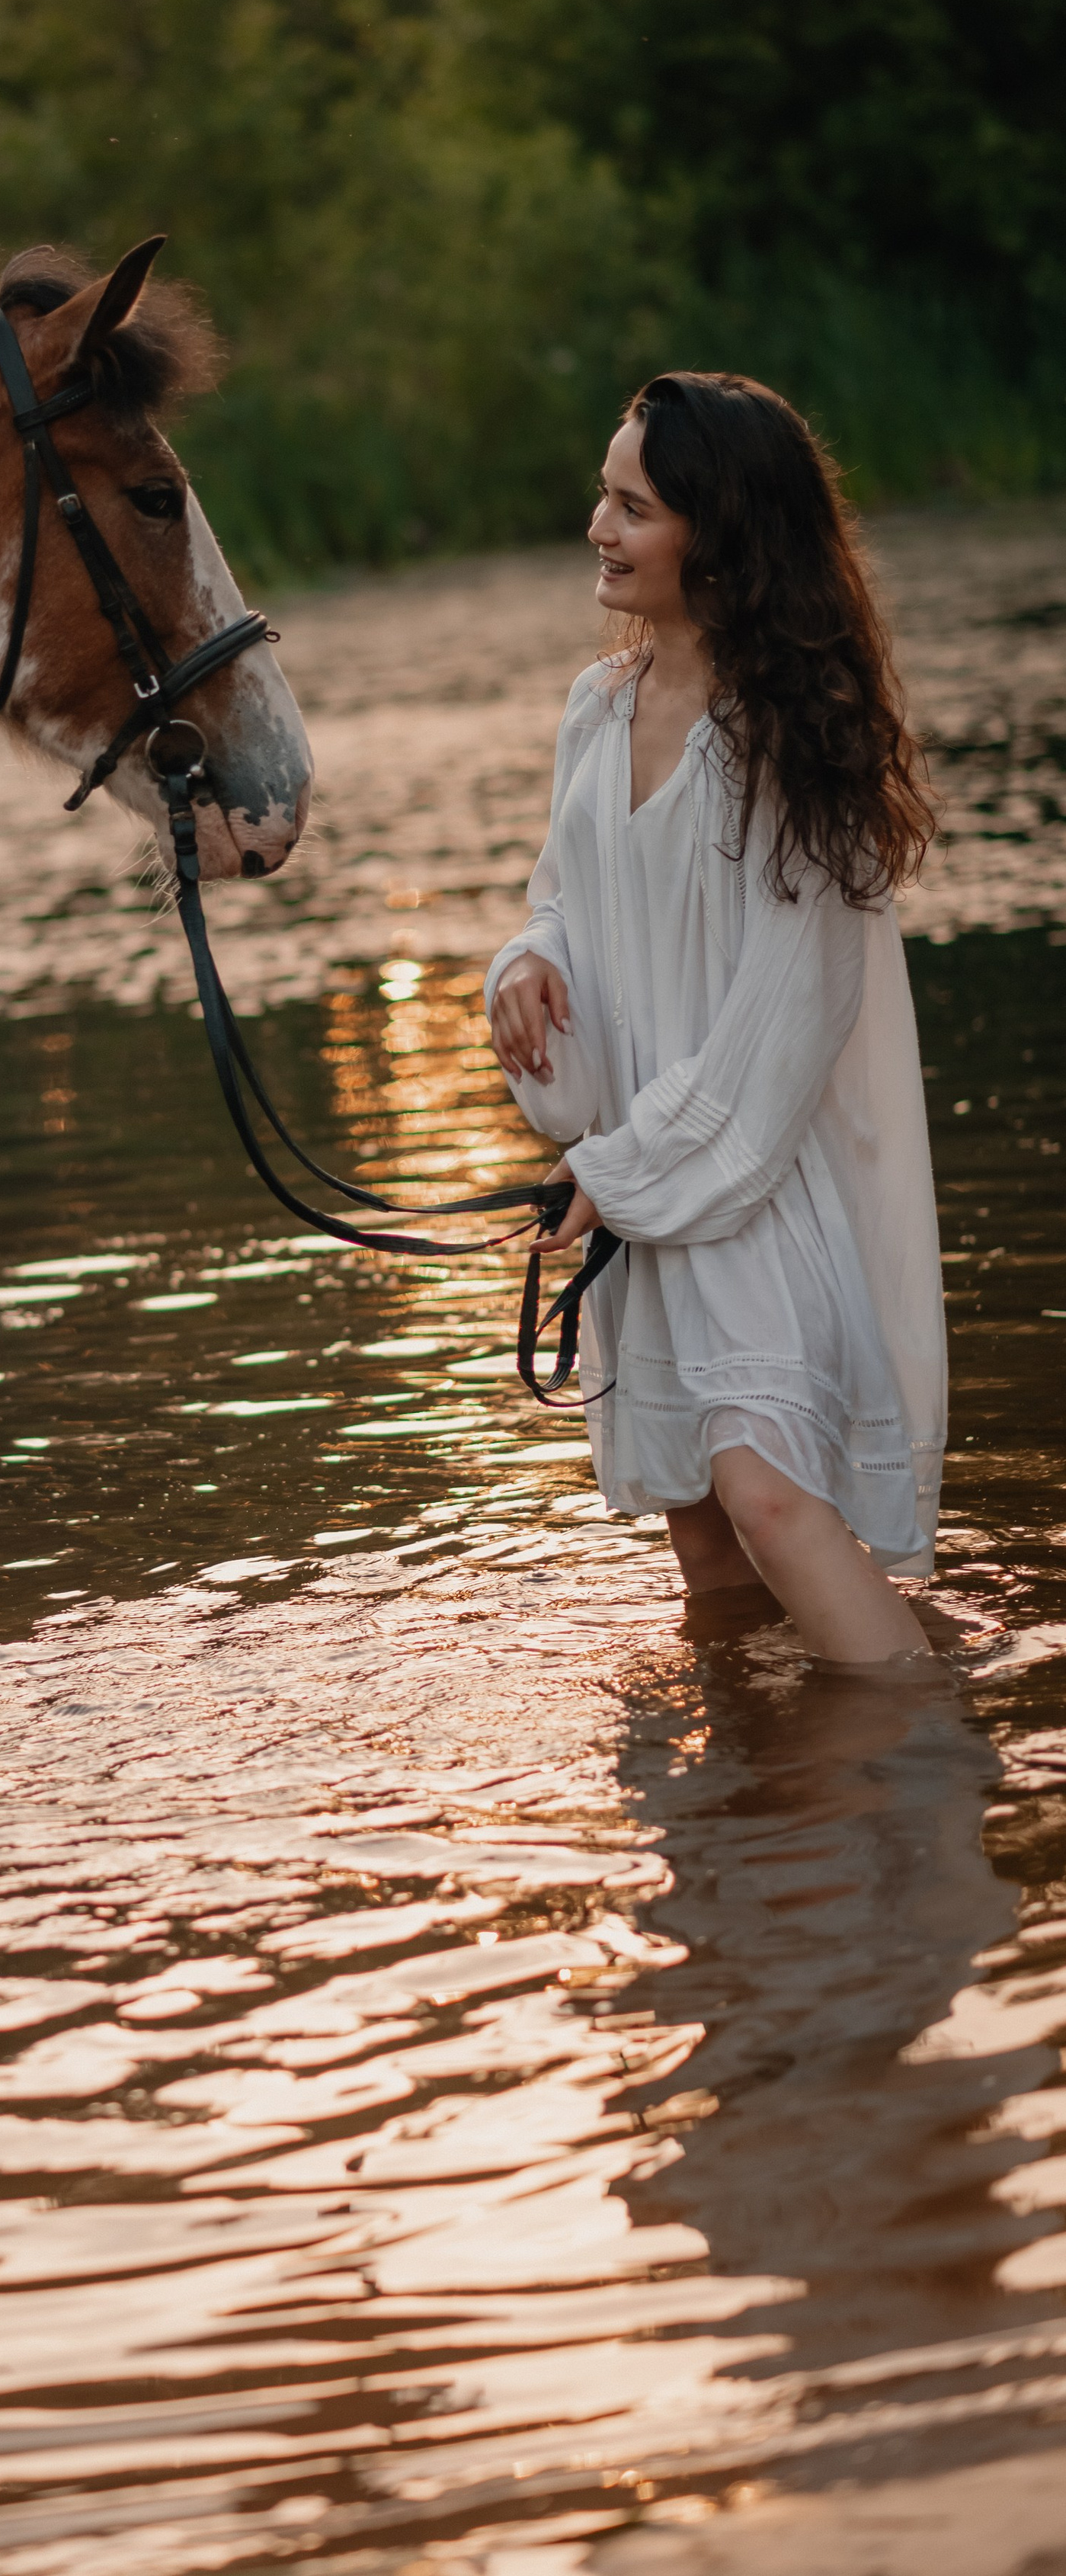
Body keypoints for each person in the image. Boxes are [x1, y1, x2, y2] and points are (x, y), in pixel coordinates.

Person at [485, 372, 944, 1661]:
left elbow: (777, 1035)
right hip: (645, 1192)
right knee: (700, 1534)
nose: (599, 526)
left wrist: (612, 1172)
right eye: (603, 494)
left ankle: (935, 1771)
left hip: (758, 1193)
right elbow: (567, 900)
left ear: (722, 533)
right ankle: (756, 1831)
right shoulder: (597, 709)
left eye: (634, 505)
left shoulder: (798, 741)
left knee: (770, 1497)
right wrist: (525, 965)